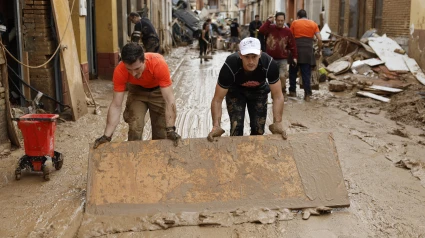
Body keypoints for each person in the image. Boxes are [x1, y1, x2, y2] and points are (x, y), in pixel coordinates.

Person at [93, 43, 181, 148]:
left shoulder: (158, 64)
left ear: (144, 60)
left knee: (161, 132)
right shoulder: (120, 70)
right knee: (135, 126)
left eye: (137, 69)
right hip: (137, 91)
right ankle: (134, 158)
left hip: (158, 92)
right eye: (129, 69)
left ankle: (158, 160)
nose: (133, 74)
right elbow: (116, 105)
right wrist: (107, 136)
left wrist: (170, 129)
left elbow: (169, 100)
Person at [207, 37, 287, 141]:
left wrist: (278, 122)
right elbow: (217, 99)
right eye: (247, 57)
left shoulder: (269, 63)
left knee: (258, 130)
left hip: (259, 92)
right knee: (236, 128)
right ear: (240, 55)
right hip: (236, 92)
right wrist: (216, 126)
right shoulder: (231, 64)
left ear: (260, 54)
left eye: (254, 57)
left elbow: (278, 96)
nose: (251, 61)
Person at [259, 12, 297, 95]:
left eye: (282, 20)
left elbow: (292, 45)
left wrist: (294, 57)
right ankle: (274, 96)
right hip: (270, 59)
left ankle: (282, 92)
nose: (280, 22)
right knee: (272, 78)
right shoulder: (270, 28)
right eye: (278, 20)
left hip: (282, 58)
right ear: (275, 20)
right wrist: (268, 21)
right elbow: (261, 31)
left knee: (282, 76)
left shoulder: (288, 31)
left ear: (284, 20)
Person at [289, 9, 322, 102]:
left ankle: (292, 91)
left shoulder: (295, 23)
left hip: (296, 51)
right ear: (306, 16)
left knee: (292, 72)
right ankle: (307, 94)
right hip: (307, 52)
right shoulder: (313, 24)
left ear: (298, 16)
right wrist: (319, 50)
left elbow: (290, 37)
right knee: (306, 73)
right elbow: (319, 39)